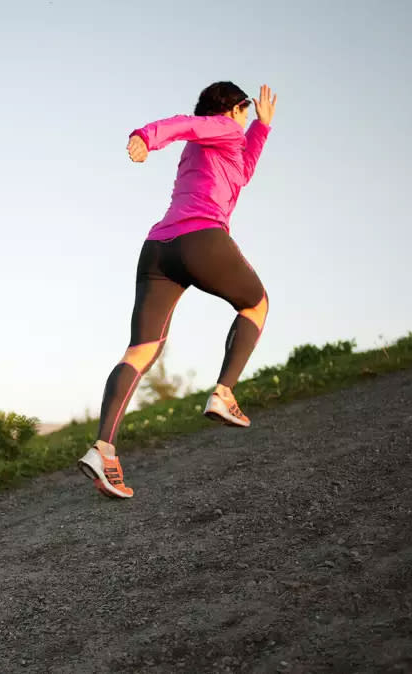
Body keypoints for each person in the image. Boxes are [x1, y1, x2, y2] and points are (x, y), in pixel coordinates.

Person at [77, 82, 278, 499]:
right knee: (256, 305)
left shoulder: (215, 147)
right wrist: (145, 138)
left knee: (141, 350)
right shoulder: (222, 128)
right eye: (245, 112)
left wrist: (262, 127)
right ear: (235, 109)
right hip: (201, 239)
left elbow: (242, 173)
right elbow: (186, 124)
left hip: (158, 250)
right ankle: (223, 393)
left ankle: (104, 450)